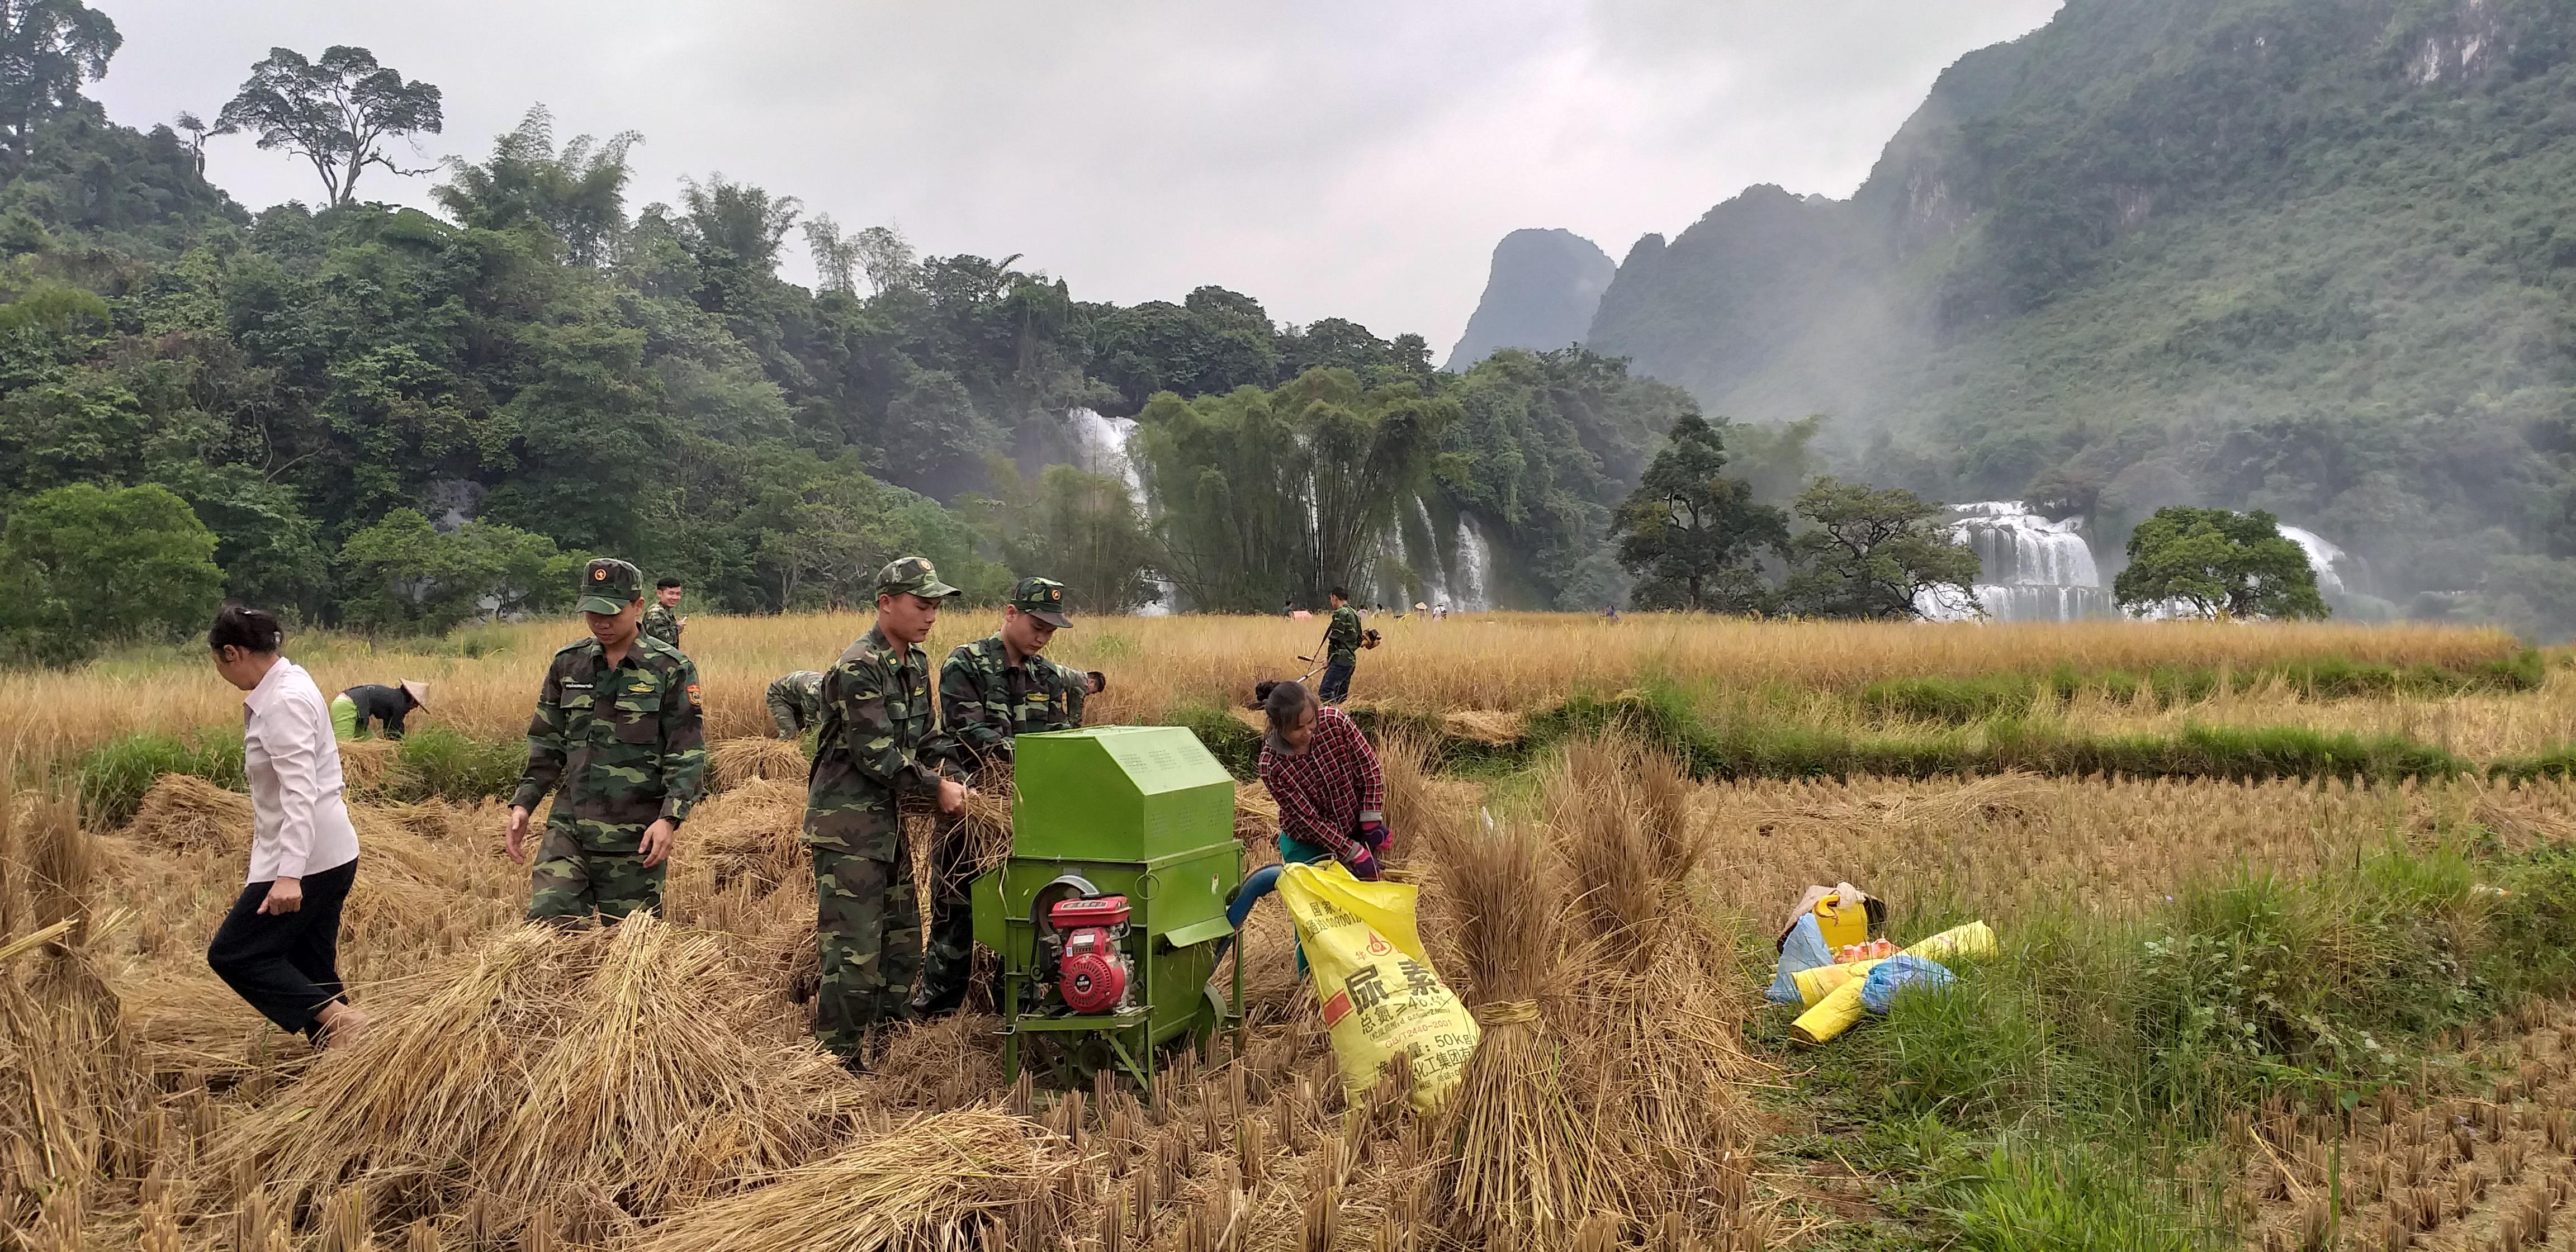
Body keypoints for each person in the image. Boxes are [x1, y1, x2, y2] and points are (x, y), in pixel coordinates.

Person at [803, 556, 969, 1065]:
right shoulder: (859, 665)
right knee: (854, 954)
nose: (931, 617)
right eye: (922, 606)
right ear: (886, 604)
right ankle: (838, 1062)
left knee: (902, 947)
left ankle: (889, 1047)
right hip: (849, 828)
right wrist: (936, 787)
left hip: (890, 825)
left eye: (936, 607)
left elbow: (926, 737)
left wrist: (964, 771)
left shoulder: (916, 664)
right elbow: (876, 754)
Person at [916, 576, 1106, 1017]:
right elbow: (970, 734)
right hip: (974, 808)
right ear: (1010, 614)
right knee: (956, 911)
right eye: (1036, 625)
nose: (1043, 637)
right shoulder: (967, 664)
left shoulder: (1050, 676)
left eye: (1051, 631)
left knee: (1030, 911)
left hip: (1031, 815)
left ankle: (1018, 1008)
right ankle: (938, 1011)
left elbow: (1062, 737)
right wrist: (1036, 758)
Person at [203, 604, 371, 1050]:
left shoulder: (284, 702)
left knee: (235, 954)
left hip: (309, 859)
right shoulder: (288, 683)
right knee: (311, 966)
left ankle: (344, 1021)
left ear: (232, 653)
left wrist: (288, 875)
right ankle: (347, 1064)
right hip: (326, 852)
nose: (222, 672)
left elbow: (300, 791)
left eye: (218, 662)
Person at [506, 558, 705, 925]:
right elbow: (547, 743)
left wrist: (670, 819)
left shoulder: (670, 668)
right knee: (549, 925)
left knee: (627, 946)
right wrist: (524, 804)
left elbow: (687, 753)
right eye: (592, 612)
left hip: (634, 836)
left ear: (638, 606)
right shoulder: (569, 664)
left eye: (612, 613)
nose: (601, 623)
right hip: (571, 826)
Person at [1225, 679, 1390, 964]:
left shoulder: (1337, 724)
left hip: (1354, 825)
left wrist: (1371, 820)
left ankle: (1366, 965)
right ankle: (1310, 984)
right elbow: (1309, 820)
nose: (1308, 732)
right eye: (1298, 729)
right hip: (1307, 843)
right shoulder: (1272, 764)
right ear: (1279, 727)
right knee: (1314, 917)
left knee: (1361, 906)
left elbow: (1370, 769)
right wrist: (1352, 851)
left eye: (1311, 722)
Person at [331, 680, 427, 740]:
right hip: (347, 707)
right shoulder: (400, 703)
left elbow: (390, 726)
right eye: (416, 704)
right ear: (412, 699)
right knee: (344, 746)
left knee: (373, 742)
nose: (416, 707)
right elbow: (395, 730)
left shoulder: (395, 697)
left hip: (356, 712)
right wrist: (400, 747)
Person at [1318, 586, 1364, 704]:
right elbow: (1359, 640)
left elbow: (1335, 639)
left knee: (1325, 692)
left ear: (1335, 597)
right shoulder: (1355, 614)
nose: (1331, 601)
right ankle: (1341, 718)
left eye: (1331, 598)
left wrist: (1329, 658)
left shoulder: (1340, 613)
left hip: (1340, 661)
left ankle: (1330, 718)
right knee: (1341, 699)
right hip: (1350, 662)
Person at [766, 669, 826, 738]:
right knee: (790, 733)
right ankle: (780, 748)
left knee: (801, 730)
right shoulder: (813, 693)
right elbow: (811, 723)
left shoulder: (835, 690)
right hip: (778, 694)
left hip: (797, 695)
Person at [640, 576, 686, 650]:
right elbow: (664, 641)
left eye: (678, 594)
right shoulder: (655, 614)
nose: (675, 598)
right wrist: (678, 627)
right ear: (659, 594)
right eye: (671, 594)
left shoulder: (665, 612)